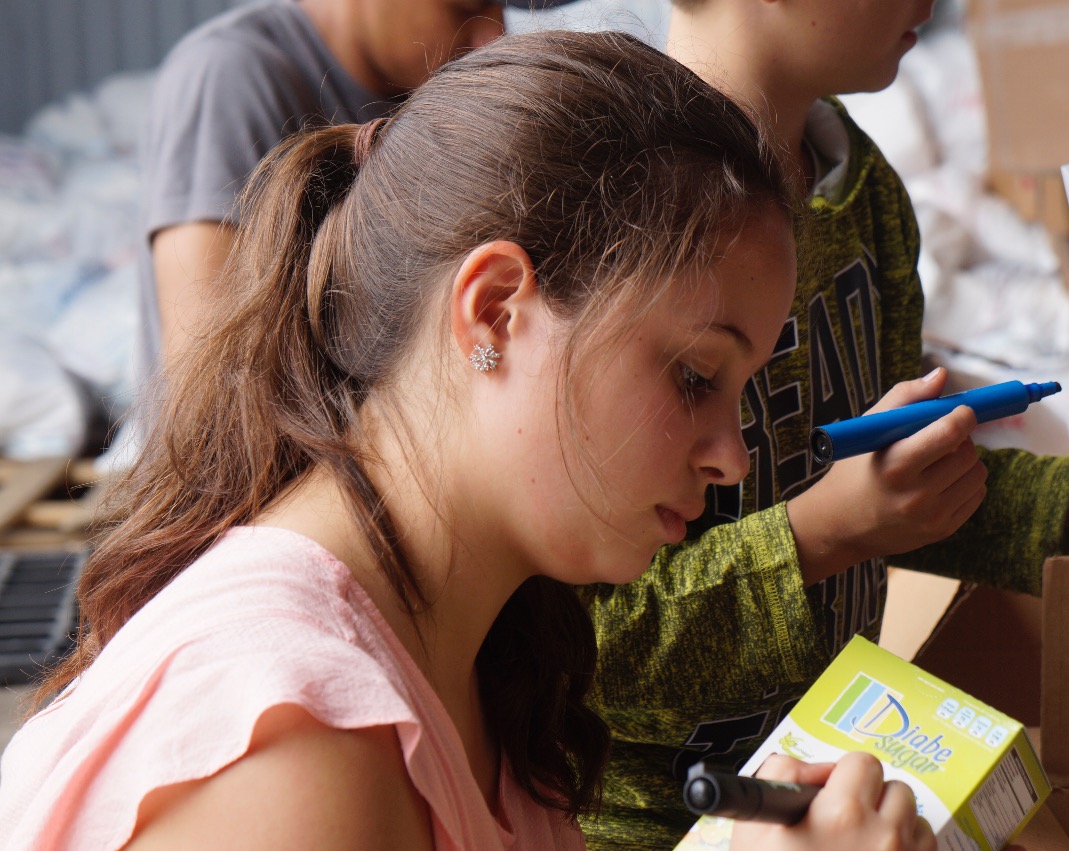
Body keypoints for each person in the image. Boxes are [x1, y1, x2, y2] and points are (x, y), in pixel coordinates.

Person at [0, 30, 937, 851]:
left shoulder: (491, 649)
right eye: (694, 375)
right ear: (494, 310)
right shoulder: (301, 741)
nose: (730, 456)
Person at [578, 2, 1069, 847]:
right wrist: (821, 535)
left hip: (843, 752)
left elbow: (897, 493)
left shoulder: (864, 190)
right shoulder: (612, 217)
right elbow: (587, 645)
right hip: (661, 821)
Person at [139, 0, 573, 381]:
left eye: (503, 11)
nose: (494, 38)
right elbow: (203, 389)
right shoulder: (228, 76)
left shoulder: (436, 104)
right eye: (465, 7)